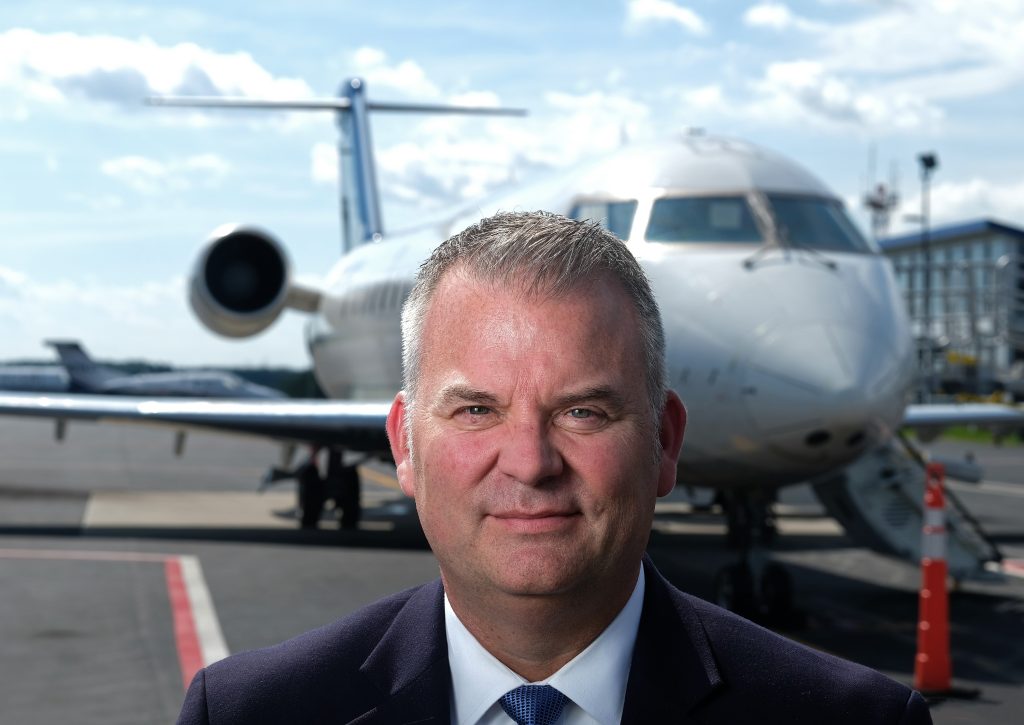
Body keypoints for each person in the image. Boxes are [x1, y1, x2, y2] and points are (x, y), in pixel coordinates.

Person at [177, 211, 931, 724]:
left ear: (666, 440)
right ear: (403, 443)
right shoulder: (249, 712)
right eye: (476, 409)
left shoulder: (858, 720)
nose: (532, 463)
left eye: (584, 411)